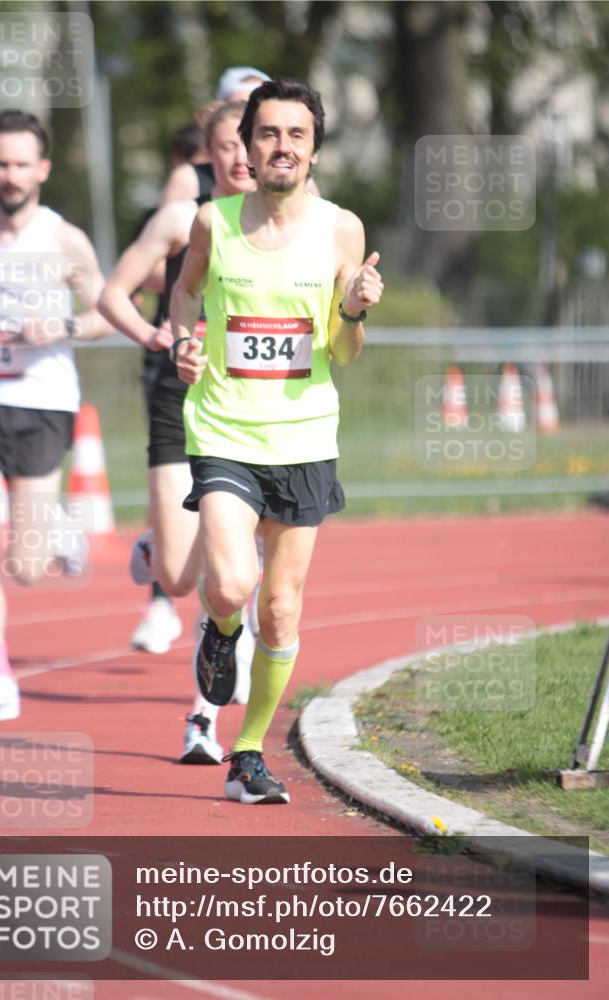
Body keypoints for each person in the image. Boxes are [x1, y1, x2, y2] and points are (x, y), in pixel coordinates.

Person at [170, 77, 383, 804]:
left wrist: (351, 312)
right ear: (248, 148)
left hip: (303, 438)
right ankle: (218, 627)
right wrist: (180, 343)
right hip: (224, 426)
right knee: (231, 584)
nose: (281, 146)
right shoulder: (212, 222)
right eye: (268, 134)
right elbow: (184, 293)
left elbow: (343, 352)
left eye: (296, 134)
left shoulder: (340, 230)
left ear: (314, 148)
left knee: (283, 609)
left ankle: (250, 753)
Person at [99, 102, 258, 764]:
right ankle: (156, 541)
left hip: (249, 413)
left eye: (247, 145)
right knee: (175, 572)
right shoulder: (180, 218)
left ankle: (204, 718)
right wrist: (151, 333)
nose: (239, 158)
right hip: (176, 400)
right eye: (225, 147)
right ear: (207, 153)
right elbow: (113, 293)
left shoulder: (288, 223)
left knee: (236, 573)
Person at [0, 110, 115, 721]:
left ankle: (57, 531)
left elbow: (108, 312)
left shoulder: (65, 239)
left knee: (27, 567)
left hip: (41, 405)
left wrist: (61, 325)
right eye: (0, 163)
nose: (10, 175)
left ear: (41, 169)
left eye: (21, 164)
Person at [130, 119, 214, 655]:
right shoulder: (187, 186)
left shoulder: (285, 193)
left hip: (244, 383)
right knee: (182, 567)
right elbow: (156, 267)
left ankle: (236, 642)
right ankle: (161, 575)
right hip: (177, 364)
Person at [160, 68, 270, 206]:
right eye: (235, 107)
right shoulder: (189, 181)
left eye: (254, 108)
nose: (243, 117)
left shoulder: (290, 183)